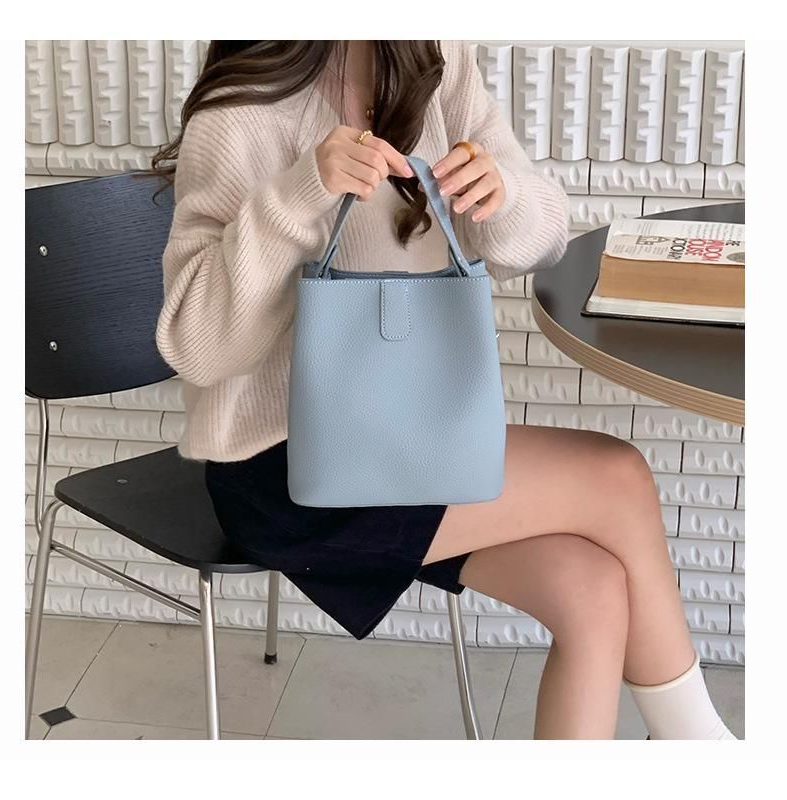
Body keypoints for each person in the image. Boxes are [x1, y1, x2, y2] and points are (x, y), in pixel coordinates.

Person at [149, 40, 737, 740]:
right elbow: (198, 347)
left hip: (413, 436)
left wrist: (502, 194)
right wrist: (298, 195)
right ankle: (701, 751)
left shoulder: (437, 62)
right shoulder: (240, 110)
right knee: (618, 478)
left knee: (593, 591)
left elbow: (543, 241)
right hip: (290, 464)